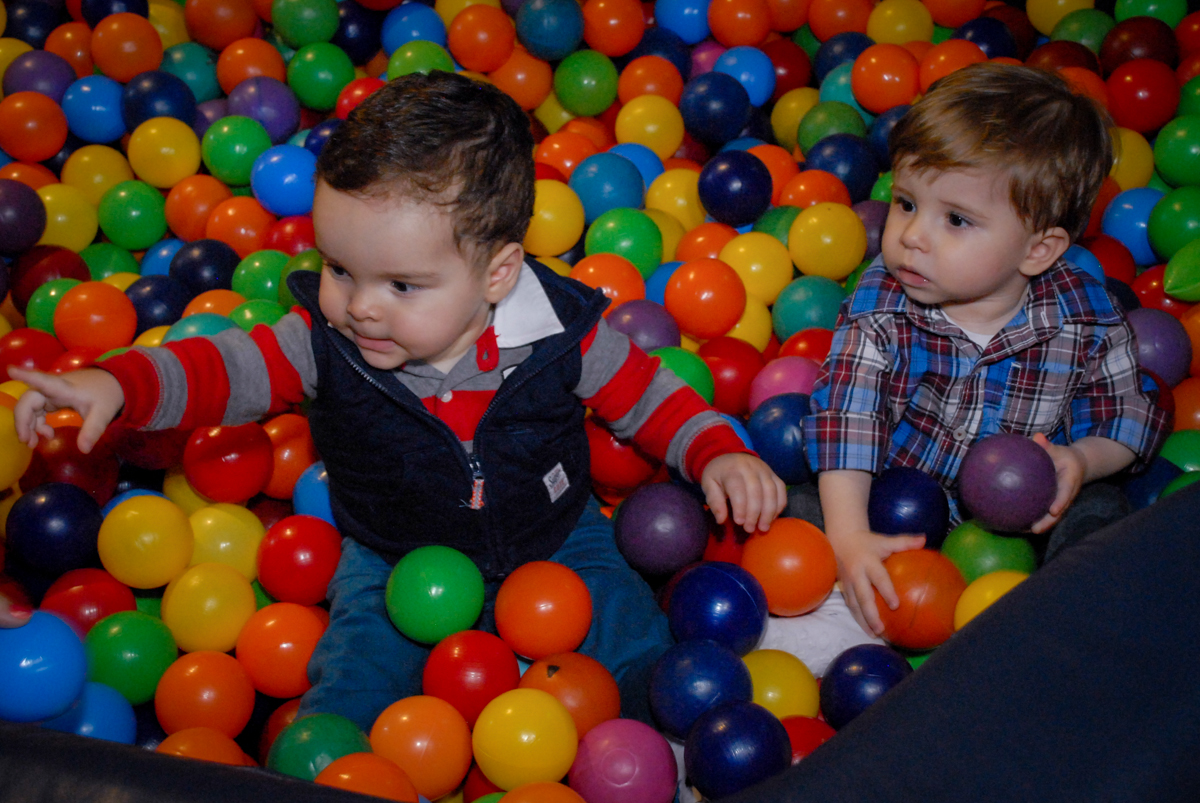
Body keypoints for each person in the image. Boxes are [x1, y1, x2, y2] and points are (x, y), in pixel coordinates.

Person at [10, 71, 787, 731]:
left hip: (557, 532)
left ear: (498, 274)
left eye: (402, 285)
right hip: (390, 552)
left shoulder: (560, 331)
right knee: (348, 692)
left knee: (638, 654)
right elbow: (226, 365)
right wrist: (120, 381)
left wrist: (717, 449)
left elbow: (650, 396)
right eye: (341, 268)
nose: (361, 307)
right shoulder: (324, 338)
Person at [802, 63, 1170, 639]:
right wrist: (848, 537)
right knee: (801, 508)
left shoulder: (1084, 317)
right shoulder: (882, 301)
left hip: (1024, 523)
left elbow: (1125, 413)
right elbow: (849, 415)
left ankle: (1068, 629)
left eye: (955, 219)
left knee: (1103, 518)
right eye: (905, 203)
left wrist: (1079, 462)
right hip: (894, 500)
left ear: (1038, 250)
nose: (913, 235)